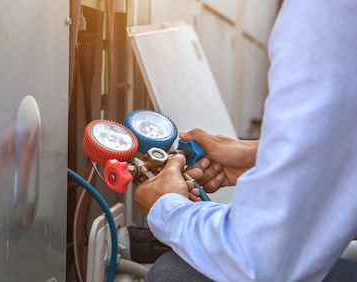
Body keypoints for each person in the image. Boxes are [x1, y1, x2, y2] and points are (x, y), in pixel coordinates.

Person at [132, 0, 357, 281]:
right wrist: (261, 155)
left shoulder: (321, 12)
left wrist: (166, 207)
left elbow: (261, 258)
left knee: (173, 275)